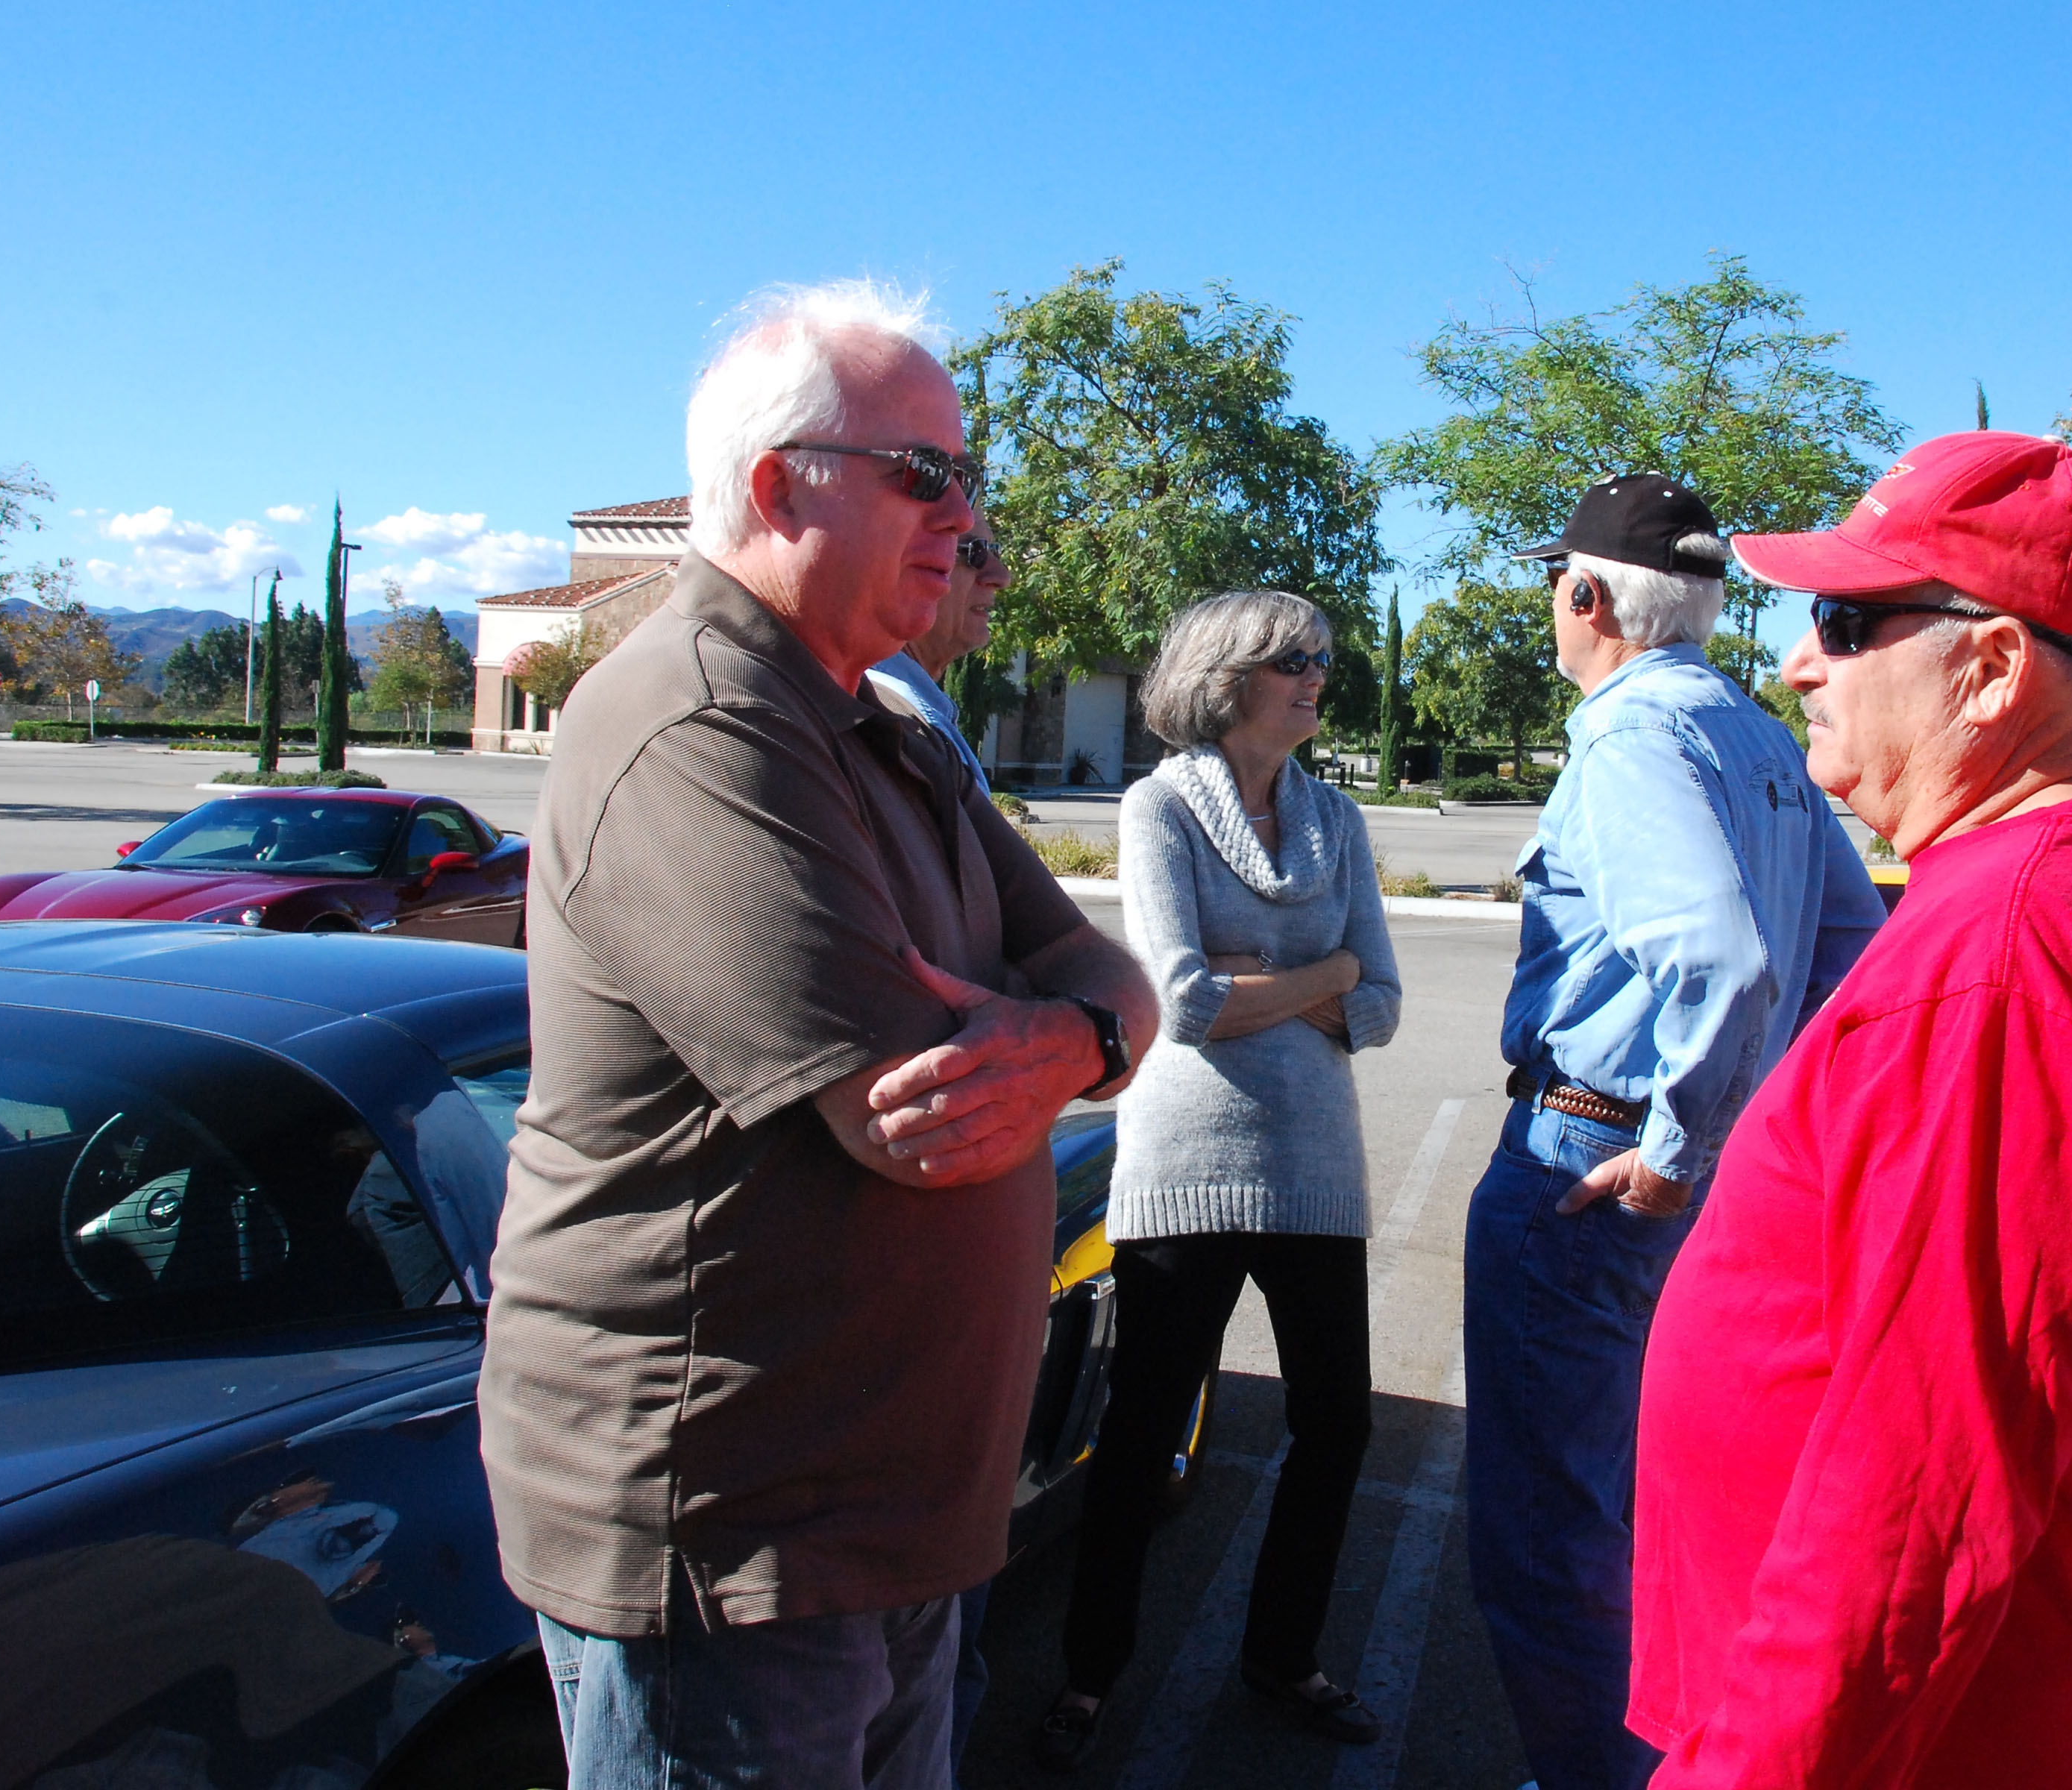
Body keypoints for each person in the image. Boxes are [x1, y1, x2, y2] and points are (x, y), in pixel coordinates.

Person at [479, 279, 1159, 1790]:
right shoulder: (697, 721)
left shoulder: (884, 722)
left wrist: (1082, 1034)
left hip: (888, 1531)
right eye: (927, 473)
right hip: (736, 1547)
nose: (965, 519)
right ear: (784, 483)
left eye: (967, 476)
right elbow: (913, 1115)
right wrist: (1086, 1028)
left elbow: (1108, 965)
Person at [1624, 432, 2072, 1789]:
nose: (1798, 659)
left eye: (1846, 621)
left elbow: (1924, 1491)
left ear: (1993, 667)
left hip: (1914, 1747)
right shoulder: (2065, 892)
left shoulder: (2014, 959)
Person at [1461, 475, 1886, 1790]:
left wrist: (1678, 1150)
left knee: (1548, 1528)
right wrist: (1738, 1134)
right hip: (1676, 1176)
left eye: (1555, 584)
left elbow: (1725, 959)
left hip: (1593, 1170)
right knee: (1646, 1511)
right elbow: (1848, 947)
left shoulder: (1633, 736)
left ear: (1586, 596)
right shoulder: (1757, 737)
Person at [1035, 589, 1402, 1771]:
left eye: (1324, 662)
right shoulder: (1158, 807)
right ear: (1225, 673)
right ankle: (1091, 1676)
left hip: (1316, 1171)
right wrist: (1323, 975)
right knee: (1138, 1436)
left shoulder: (1338, 820)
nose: (1315, 678)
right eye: (1291, 660)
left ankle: (1283, 1657)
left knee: (1337, 1426)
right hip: (1182, 1168)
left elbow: (1384, 1005)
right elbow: (1184, 1001)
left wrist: (1291, 975)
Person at [863, 507, 1014, 1783]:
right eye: (962, 544)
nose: (989, 574)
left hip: (922, 1443)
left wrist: (1080, 1027)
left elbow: (1100, 979)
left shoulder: (923, 713)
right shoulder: (868, 707)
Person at [867, 518, 1008, 788]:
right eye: (974, 552)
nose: (1001, 577)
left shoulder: (920, 715)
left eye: (995, 551)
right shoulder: (900, 722)